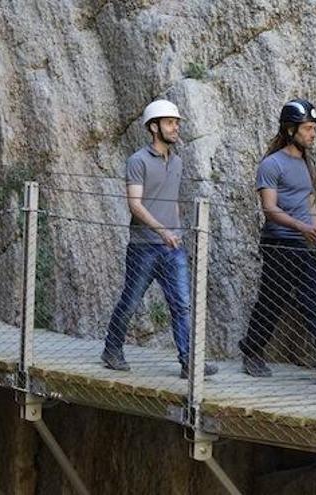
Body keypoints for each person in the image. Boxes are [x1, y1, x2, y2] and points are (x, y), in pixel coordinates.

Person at [101, 99, 218, 379]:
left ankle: (188, 362)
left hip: (171, 247)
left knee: (181, 303)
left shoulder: (176, 161)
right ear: (154, 127)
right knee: (130, 301)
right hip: (143, 247)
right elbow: (136, 205)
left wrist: (175, 231)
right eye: (169, 123)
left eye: (176, 123)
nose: (175, 127)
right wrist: (162, 231)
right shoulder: (137, 161)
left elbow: (172, 200)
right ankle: (111, 349)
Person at [239, 98, 316, 385]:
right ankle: (252, 350)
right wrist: (300, 228)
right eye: (308, 128)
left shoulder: (307, 164)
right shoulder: (271, 164)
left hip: (304, 243)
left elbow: (311, 204)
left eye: (314, 128)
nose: (312, 134)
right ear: (290, 130)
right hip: (279, 243)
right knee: (272, 300)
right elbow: (270, 209)